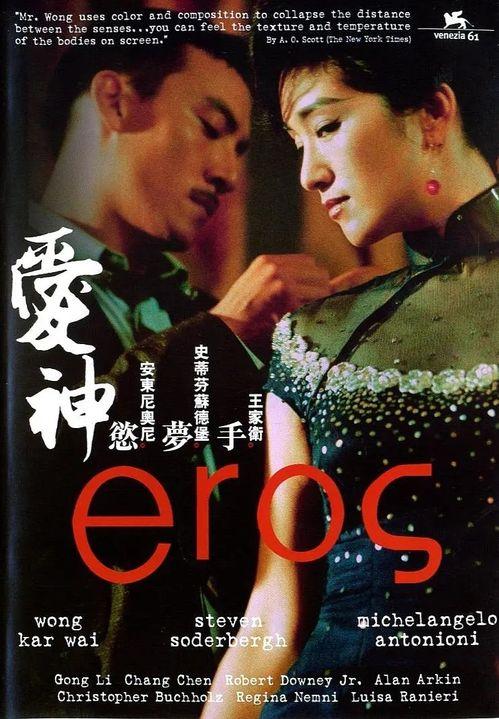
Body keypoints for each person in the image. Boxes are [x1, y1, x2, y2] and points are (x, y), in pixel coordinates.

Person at [12, 27, 342, 719]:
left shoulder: (199, 314)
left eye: (240, 149)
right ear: (114, 100)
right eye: (211, 127)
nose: (227, 174)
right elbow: (51, 481)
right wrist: (220, 338)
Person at [202, 2, 498, 717]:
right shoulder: (317, 340)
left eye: (327, 126)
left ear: (433, 112)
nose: (308, 172)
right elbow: (272, 621)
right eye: (297, 142)